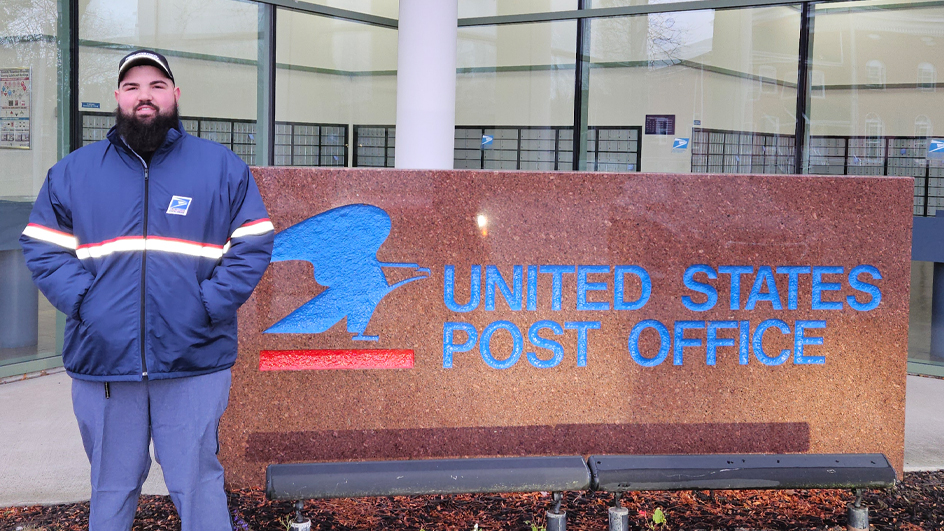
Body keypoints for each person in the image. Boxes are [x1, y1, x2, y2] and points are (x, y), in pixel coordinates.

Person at [19, 50, 274, 531]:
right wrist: (87, 304)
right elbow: (44, 248)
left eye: (157, 85)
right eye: (133, 86)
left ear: (175, 95)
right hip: (105, 361)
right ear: (117, 98)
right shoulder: (74, 172)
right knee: (111, 487)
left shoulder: (220, 167)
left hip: (194, 357)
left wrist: (208, 306)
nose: (145, 96)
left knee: (197, 482)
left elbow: (253, 242)